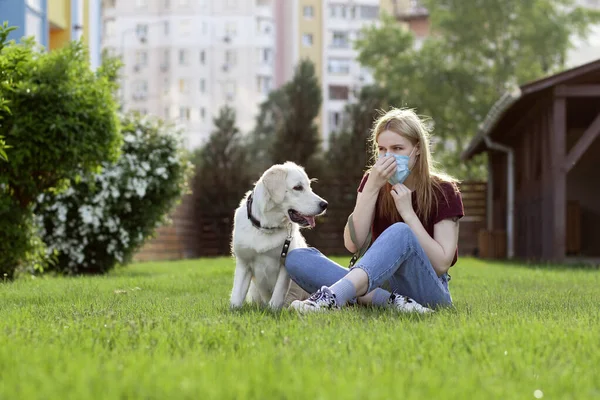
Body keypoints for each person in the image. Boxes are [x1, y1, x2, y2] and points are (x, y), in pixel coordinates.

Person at [284, 108, 464, 313]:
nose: (389, 157)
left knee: (401, 231)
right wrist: (371, 188)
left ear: (418, 149)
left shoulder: (444, 190)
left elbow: (441, 264)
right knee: (297, 258)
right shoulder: (373, 181)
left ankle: (333, 298)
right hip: (379, 282)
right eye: (382, 149)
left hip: (428, 290)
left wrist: (408, 214)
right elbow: (353, 244)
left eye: (398, 148)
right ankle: (393, 303)